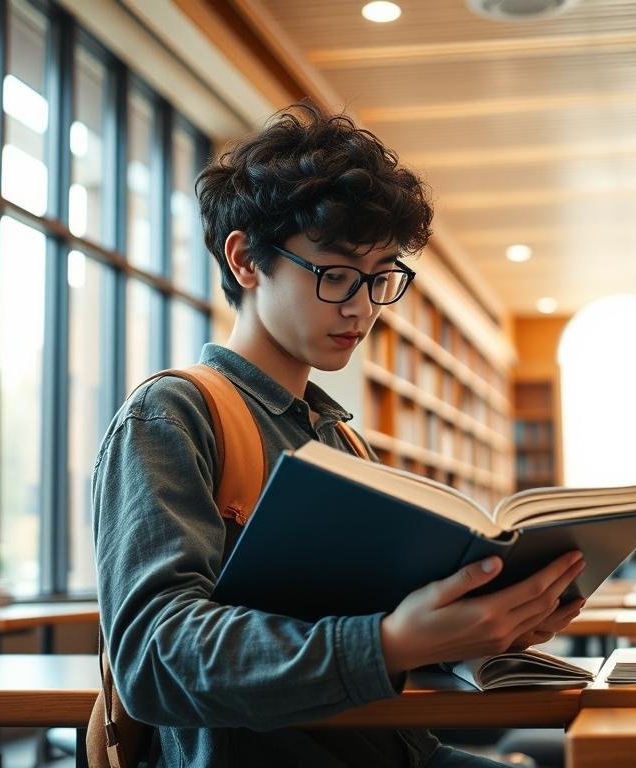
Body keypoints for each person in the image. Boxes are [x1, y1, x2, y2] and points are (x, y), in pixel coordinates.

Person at [92, 102, 586, 768]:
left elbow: (375, 628)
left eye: (380, 276)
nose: (362, 306)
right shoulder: (173, 414)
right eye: (334, 275)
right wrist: (387, 645)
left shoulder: (341, 440)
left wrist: (486, 628)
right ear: (245, 261)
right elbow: (156, 657)